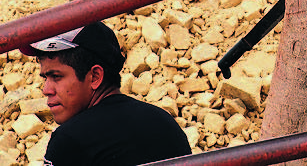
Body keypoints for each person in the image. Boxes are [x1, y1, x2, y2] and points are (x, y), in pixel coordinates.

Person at [21, 21, 191, 165]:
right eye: (45, 78)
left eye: (56, 77)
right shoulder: (165, 122)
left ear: (95, 76)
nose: (46, 90)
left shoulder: (71, 139)